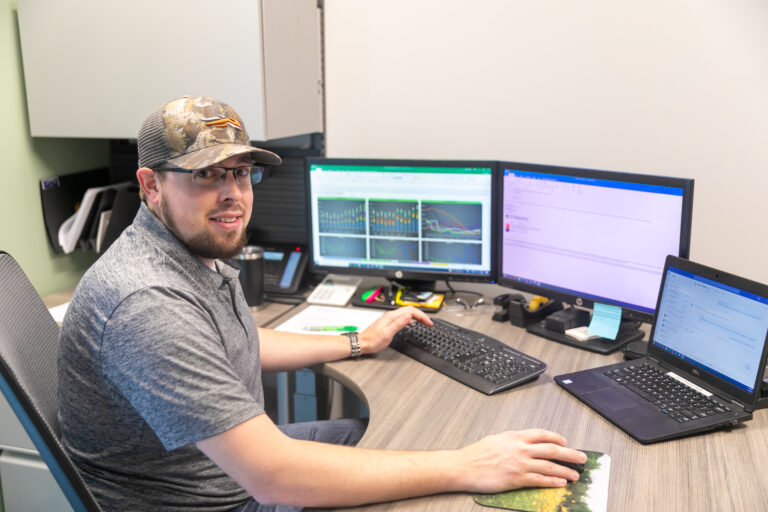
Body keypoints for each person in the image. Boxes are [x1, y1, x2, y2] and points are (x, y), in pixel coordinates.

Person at [58, 95, 586, 512]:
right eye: (207, 174)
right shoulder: (148, 302)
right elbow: (272, 477)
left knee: (391, 443)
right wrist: (466, 466)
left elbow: (232, 341)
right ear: (150, 185)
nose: (233, 194)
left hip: (218, 471)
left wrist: (358, 341)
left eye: (241, 173)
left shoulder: (186, 248)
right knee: (450, 479)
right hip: (217, 499)